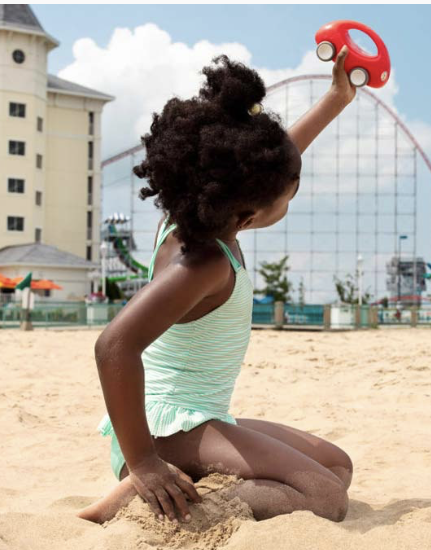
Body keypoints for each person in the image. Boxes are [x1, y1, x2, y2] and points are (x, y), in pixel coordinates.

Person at [77, 49, 357, 525]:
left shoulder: (195, 213)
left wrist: (337, 97)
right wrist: (144, 462)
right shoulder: (204, 264)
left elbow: (272, 160)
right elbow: (113, 347)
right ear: (249, 213)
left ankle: (192, 483)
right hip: (158, 435)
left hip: (197, 419)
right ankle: (139, 495)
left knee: (336, 464)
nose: (291, 191)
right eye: (289, 193)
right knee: (327, 498)